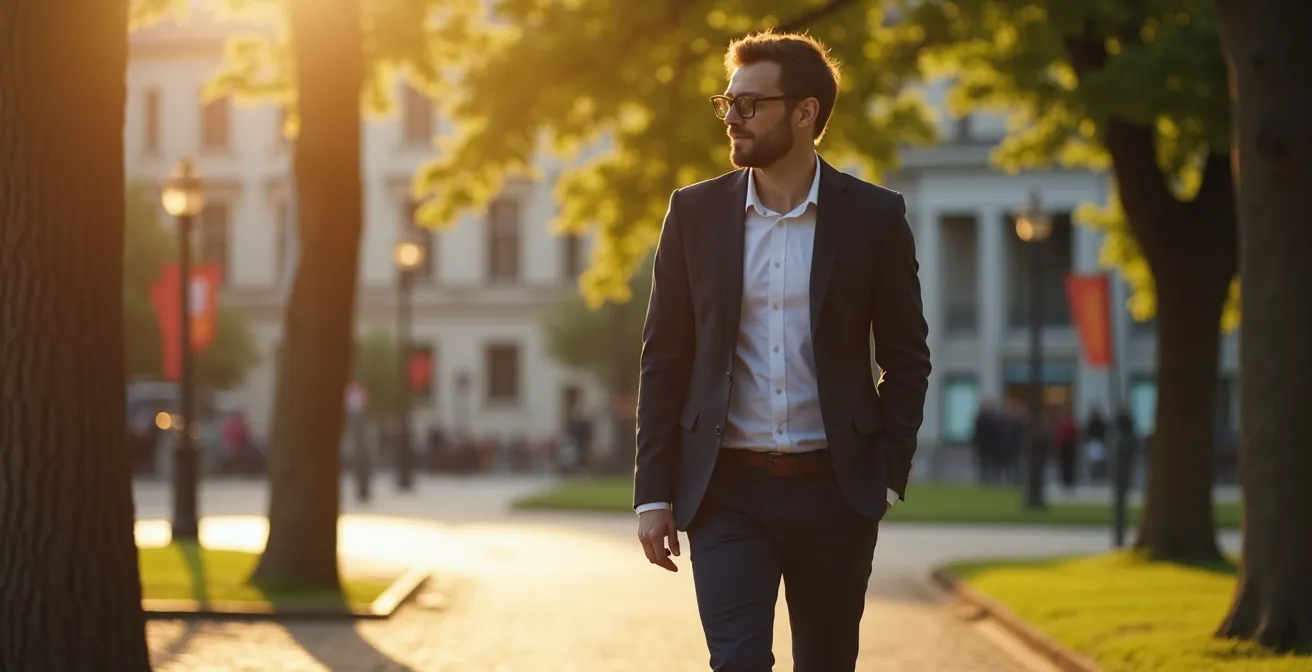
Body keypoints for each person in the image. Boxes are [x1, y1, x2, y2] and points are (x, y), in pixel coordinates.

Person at [632, 31, 932, 671]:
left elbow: (907, 357)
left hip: (835, 491)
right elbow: (664, 359)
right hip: (726, 491)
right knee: (737, 663)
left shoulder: (875, 218)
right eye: (728, 103)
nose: (732, 119)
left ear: (805, 114)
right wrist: (654, 492)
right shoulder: (694, 214)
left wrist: (886, 475)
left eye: (750, 105)